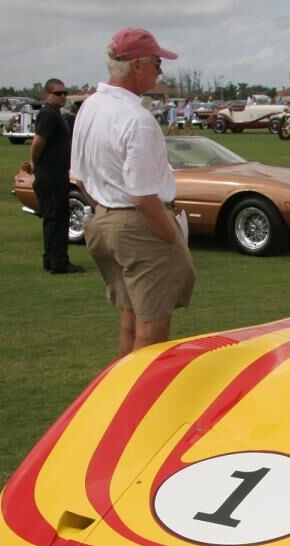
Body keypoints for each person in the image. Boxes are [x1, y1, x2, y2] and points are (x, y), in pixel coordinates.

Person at [71, 27, 195, 356]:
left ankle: (121, 396)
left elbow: (80, 178)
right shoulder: (136, 118)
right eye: (156, 61)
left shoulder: (90, 106)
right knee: (152, 332)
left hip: (104, 221)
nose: (160, 68)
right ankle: (143, 402)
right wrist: (171, 237)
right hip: (138, 227)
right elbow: (142, 196)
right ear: (136, 65)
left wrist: (108, 210)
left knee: (130, 320)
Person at [24, 79, 81, 274]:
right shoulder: (48, 114)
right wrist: (35, 163)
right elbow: (38, 142)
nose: (63, 96)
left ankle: (51, 259)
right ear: (47, 94)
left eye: (65, 93)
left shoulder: (56, 115)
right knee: (56, 218)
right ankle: (59, 262)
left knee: (55, 217)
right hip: (50, 173)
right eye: (58, 93)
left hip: (56, 172)